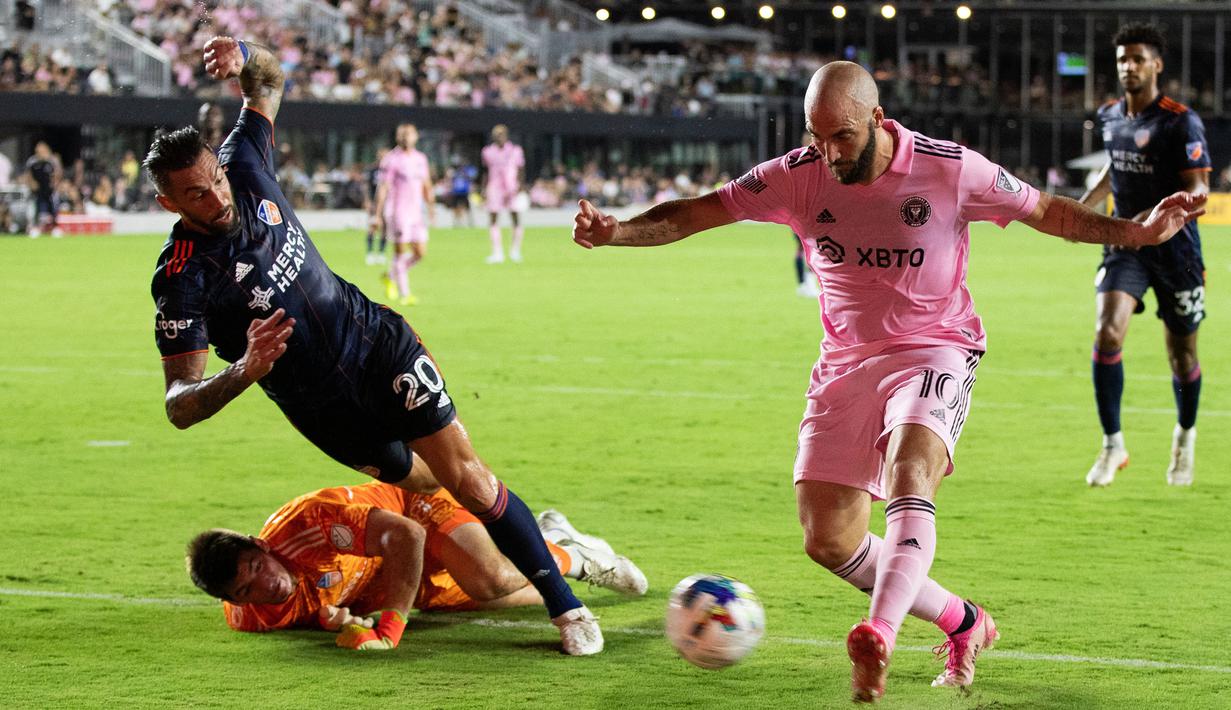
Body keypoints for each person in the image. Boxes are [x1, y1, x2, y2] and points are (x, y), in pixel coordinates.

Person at [571, 61, 1204, 702]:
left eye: (840, 136)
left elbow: (1047, 211)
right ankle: (965, 622)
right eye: (816, 136)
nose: (827, 151)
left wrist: (1134, 231)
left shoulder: (951, 168)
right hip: (845, 363)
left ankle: (879, 632)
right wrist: (618, 231)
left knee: (911, 469)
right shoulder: (799, 174)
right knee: (828, 539)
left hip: (937, 346)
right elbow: (700, 212)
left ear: (877, 120)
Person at [145, 35, 608, 656]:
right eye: (196, 194)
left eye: (216, 180)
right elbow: (179, 403)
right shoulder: (181, 279)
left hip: (374, 343)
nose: (218, 196)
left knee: (468, 480)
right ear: (166, 202)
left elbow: (270, 80)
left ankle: (569, 610)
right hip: (320, 408)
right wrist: (244, 370)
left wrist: (244, 52)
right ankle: (556, 545)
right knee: (426, 488)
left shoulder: (246, 166)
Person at [186, 482, 646, 649]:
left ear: (258, 544)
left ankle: (580, 558)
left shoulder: (311, 522)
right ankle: (554, 539)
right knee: (503, 597)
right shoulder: (250, 617)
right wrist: (337, 622)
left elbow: (406, 536)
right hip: (393, 576)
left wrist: (391, 626)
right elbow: (317, 602)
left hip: (412, 509)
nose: (267, 585)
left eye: (257, 566)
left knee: (489, 580)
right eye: (247, 590)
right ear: (232, 602)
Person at [1078, 23, 1211, 488]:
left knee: (1182, 357)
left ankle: (1185, 436)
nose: (1127, 67)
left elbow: (1199, 188)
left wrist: (1158, 212)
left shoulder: (1180, 120)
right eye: (1121, 60)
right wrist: (1081, 209)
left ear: (1156, 64)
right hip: (1127, 247)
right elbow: (1113, 171)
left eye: (1137, 59)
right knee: (1107, 331)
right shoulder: (1111, 115)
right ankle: (1114, 445)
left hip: (1177, 252)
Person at [375, 124, 434, 306]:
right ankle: (405, 294)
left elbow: (426, 183)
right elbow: (383, 187)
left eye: (408, 134)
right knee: (400, 252)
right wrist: (377, 214)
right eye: (401, 134)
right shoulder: (391, 160)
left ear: (415, 136)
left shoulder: (420, 159)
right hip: (398, 212)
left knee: (420, 253)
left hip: (416, 213)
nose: (405, 137)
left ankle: (390, 276)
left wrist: (431, 206)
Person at [481, 124, 525, 263]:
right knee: (493, 218)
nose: (499, 137)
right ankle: (497, 252)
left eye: (501, 134)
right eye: (496, 134)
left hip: (511, 187)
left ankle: (515, 251)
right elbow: (485, 171)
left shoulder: (515, 150)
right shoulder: (488, 151)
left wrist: (520, 185)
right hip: (495, 187)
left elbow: (521, 169)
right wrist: (483, 188)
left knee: (515, 217)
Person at [24, 141, 61, 237]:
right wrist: (33, 185)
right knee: (35, 210)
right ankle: (34, 228)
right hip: (36, 191)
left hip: (49, 190)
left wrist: (54, 185)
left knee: (53, 209)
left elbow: (57, 174)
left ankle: (54, 228)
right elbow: (29, 176)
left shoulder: (52, 160)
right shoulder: (32, 161)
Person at [364, 147, 389, 265]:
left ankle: (381, 253)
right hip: (375, 202)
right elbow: (367, 186)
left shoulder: (390, 170)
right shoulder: (372, 170)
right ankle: (369, 253)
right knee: (373, 226)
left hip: (387, 203)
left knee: (385, 227)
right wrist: (367, 200)